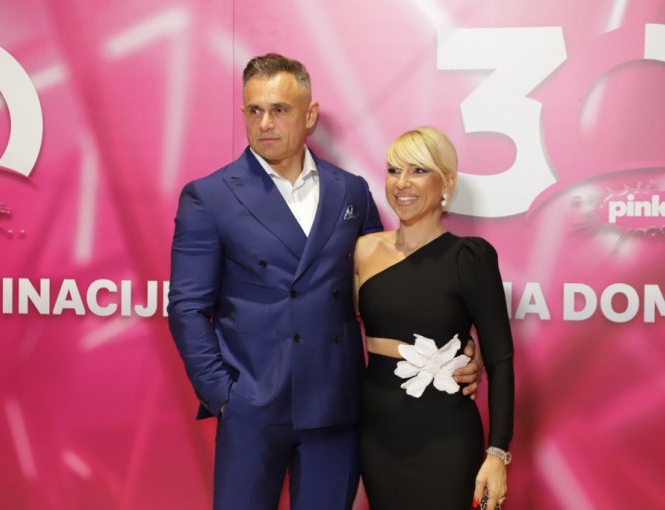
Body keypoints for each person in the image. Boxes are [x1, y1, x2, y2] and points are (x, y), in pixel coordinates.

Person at [167, 54, 483, 510]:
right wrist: (224, 396)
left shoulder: (350, 190)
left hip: (335, 405)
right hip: (252, 407)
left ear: (310, 115)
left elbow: (388, 291)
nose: (265, 123)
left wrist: (454, 346)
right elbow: (187, 308)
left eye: (280, 109)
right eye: (254, 110)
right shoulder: (210, 196)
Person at [354, 126, 514, 510]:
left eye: (419, 170)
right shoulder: (361, 250)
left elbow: (501, 360)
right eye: (394, 170)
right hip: (377, 435)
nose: (402, 183)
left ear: (448, 182)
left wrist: (497, 453)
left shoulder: (469, 257)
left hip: (447, 437)